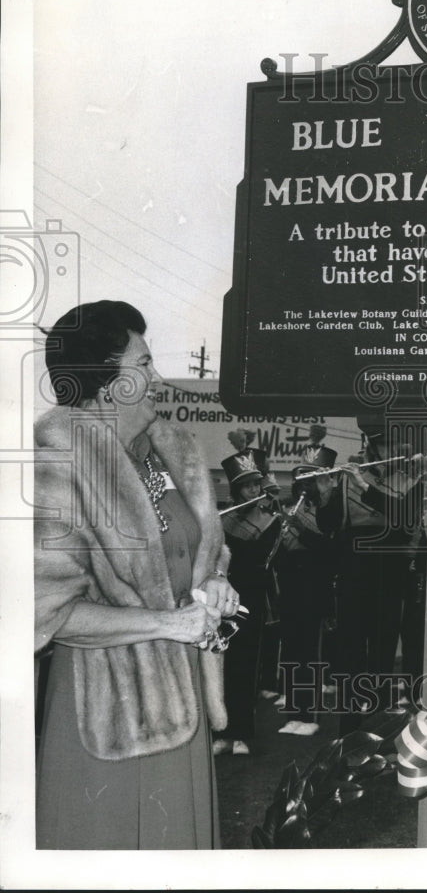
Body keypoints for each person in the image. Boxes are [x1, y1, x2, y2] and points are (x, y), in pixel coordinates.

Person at [34, 300, 239, 849]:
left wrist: (215, 580)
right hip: (108, 715)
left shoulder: (171, 452)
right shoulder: (59, 459)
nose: (156, 379)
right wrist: (168, 625)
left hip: (186, 700)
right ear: (105, 381)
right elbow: (45, 613)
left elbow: (203, 552)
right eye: (143, 365)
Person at [316, 418, 425, 734]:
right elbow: (330, 527)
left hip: (389, 578)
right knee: (350, 655)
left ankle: (379, 732)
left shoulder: (411, 481)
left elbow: (406, 520)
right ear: (371, 447)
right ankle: (348, 733)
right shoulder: (349, 479)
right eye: (381, 445)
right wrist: (324, 496)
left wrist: (366, 489)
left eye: (393, 444)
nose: (389, 450)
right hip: (354, 576)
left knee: (382, 656)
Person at [213, 449, 281, 755]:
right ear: (236, 489)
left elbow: (263, 559)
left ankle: (242, 732)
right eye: (247, 485)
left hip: (252, 598)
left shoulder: (269, 520)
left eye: (256, 483)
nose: (253, 489)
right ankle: (222, 732)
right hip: (224, 597)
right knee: (222, 664)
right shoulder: (222, 519)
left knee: (247, 666)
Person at [275, 447, 338, 735]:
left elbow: (329, 551)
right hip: (290, 586)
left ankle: (309, 715)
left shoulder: (329, 512)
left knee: (311, 654)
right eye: (300, 478)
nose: (303, 485)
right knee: (290, 651)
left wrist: (299, 528)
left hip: (315, 587)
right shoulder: (288, 510)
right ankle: (292, 713)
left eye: (309, 479)